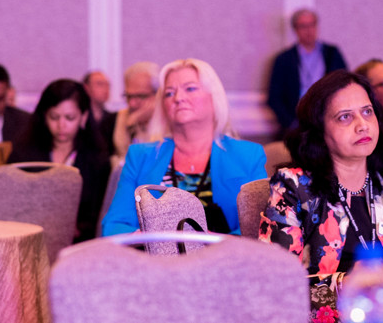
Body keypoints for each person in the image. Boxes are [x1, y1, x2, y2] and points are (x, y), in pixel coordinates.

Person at [260, 70, 383, 300]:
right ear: (319, 130)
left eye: (367, 112)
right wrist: (351, 285)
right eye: (345, 117)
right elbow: (274, 282)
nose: (362, 125)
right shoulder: (293, 187)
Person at [102, 58, 267, 236]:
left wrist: (210, 241)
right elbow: (113, 226)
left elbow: (260, 229)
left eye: (190, 89)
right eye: (169, 93)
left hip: (225, 253)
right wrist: (150, 239)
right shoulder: (140, 156)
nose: (179, 98)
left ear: (214, 97)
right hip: (153, 252)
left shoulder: (248, 156)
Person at [8, 79, 111, 242]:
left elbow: (101, 212)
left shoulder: (97, 159)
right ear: (44, 116)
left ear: (83, 117)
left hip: (81, 244)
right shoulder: (23, 154)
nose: (61, 125)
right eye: (54, 117)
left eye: (70, 118)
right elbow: (11, 202)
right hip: (29, 239)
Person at [266, 8, 348, 136]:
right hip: (296, 122)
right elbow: (274, 97)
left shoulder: (332, 53)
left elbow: (345, 84)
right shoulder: (284, 59)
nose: (309, 30)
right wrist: (291, 124)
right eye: (303, 26)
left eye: (312, 25)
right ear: (295, 30)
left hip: (328, 118)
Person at [110, 62, 160, 161]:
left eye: (140, 96)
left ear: (158, 94)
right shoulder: (115, 119)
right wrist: (130, 127)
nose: (132, 103)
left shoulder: (170, 123)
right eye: (129, 96)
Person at [82, 70, 115, 151]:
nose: (106, 89)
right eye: (100, 84)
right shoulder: (80, 117)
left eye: (108, 85)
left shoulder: (113, 118)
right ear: (86, 88)